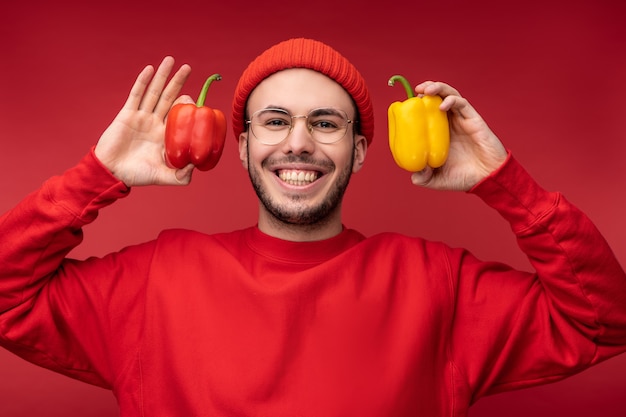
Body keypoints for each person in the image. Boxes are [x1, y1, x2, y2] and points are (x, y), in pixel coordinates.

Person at [0, 37, 625, 417]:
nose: (298, 144)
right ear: (241, 147)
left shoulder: (435, 283)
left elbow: (603, 322)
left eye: (326, 124)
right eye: (274, 121)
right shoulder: (157, 278)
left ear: (357, 151)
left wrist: (505, 182)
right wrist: (97, 174)